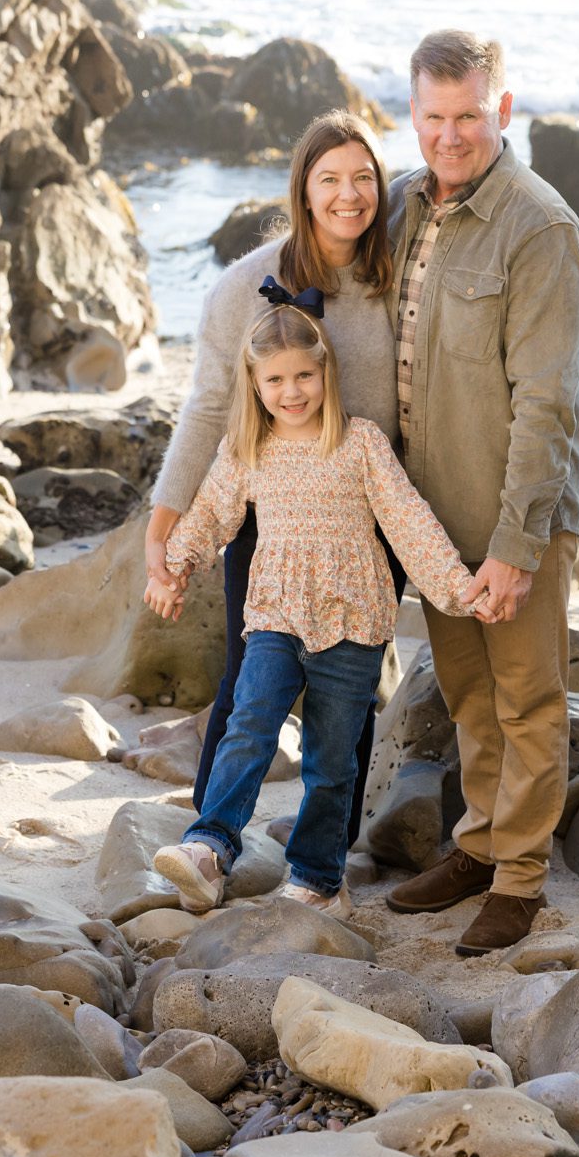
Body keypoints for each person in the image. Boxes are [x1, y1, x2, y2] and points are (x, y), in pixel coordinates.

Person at [144, 298, 483, 913]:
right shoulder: (247, 447)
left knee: (330, 759)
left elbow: (407, 521)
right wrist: (173, 564)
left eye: (303, 375)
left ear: (327, 372)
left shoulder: (361, 443)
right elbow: (212, 513)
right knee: (250, 722)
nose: (291, 391)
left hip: (353, 618)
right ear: (255, 383)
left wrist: (457, 586)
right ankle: (210, 847)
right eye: (274, 379)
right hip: (274, 610)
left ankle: (319, 879)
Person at [380, 29, 579, 954]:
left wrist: (516, 542)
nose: (450, 134)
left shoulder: (541, 229)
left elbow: (547, 403)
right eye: (433, 117)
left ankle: (520, 878)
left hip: (516, 520)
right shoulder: (401, 207)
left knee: (527, 701)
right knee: (467, 696)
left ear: (501, 110)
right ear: (414, 114)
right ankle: (477, 843)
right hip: (434, 518)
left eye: (468, 115)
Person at [144, 111, 401, 848]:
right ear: (303, 189)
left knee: (353, 684)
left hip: (367, 508)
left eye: (363, 178)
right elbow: (205, 411)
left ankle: (330, 848)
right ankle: (206, 840)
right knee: (248, 674)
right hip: (266, 510)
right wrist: (162, 529)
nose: (348, 195)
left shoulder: (399, 280)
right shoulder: (239, 290)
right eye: (329, 179)